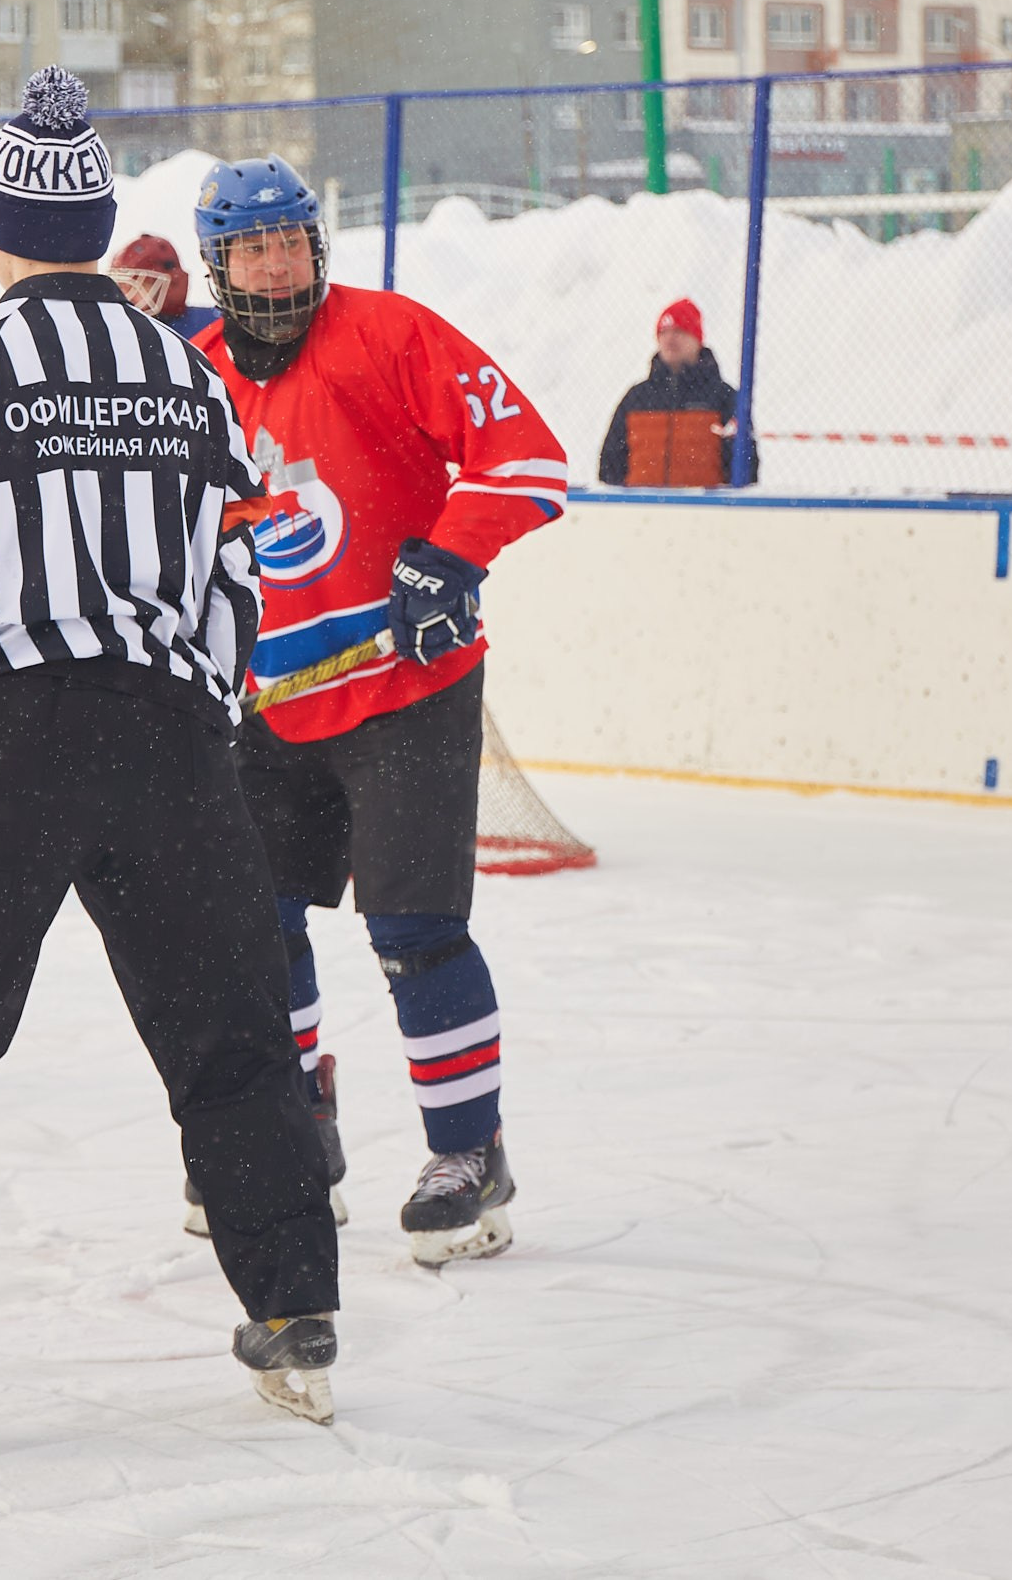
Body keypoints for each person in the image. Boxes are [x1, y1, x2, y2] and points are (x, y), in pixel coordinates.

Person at [0, 72, 341, 1466]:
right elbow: (233, 571)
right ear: (94, 225)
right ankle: (299, 1310)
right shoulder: (186, 364)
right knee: (233, 1039)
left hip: (9, 737)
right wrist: (200, 719)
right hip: (169, 737)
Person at [186, 154, 567, 1269]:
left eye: (292, 241)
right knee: (257, 930)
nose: (276, 262)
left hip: (407, 689)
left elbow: (528, 460)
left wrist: (447, 560)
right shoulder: (188, 374)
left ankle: (466, 1151)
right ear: (218, 264)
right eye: (252, 247)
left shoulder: (393, 335)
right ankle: (296, 1126)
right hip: (265, 702)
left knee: (414, 934)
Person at [597, 297, 752, 486]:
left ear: (697, 339)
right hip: (641, 511)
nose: (670, 338)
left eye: (679, 331)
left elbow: (746, 466)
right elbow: (610, 463)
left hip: (705, 512)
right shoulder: (637, 397)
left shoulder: (723, 397)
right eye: (664, 332)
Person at [109, 231, 221, 337]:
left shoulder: (212, 328)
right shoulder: (118, 332)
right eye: (121, 286)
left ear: (170, 284)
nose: (125, 295)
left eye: (136, 285)